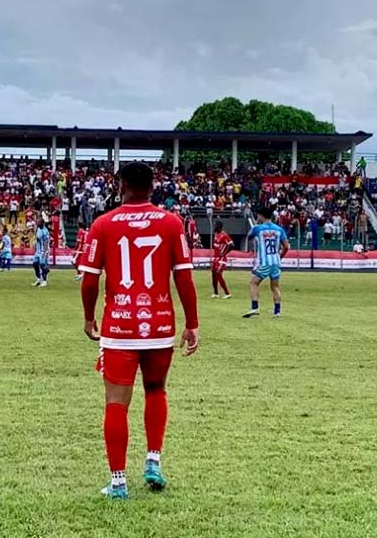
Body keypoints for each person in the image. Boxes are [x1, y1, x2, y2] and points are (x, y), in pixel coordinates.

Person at [78, 162, 200, 500]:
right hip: (159, 324)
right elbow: (184, 278)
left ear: (121, 186)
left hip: (120, 326)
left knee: (116, 404)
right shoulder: (171, 223)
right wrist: (192, 323)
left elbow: (90, 280)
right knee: (156, 390)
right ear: (153, 186)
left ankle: (118, 483)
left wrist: (89, 318)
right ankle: (153, 462)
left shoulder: (103, 224)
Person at [243, 206, 290, 318]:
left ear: (261, 216)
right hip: (275, 262)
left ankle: (255, 308)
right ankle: (277, 312)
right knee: (275, 287)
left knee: (254, 283)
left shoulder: (258, 228)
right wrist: (280, 257)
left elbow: (249, 237)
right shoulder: (279, 229)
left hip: (265, 262)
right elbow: (286, 246)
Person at [210, 221, 233, 299]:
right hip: (215, 258)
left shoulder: (224, 235)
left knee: (218, 273)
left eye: (215, 225)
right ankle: (216, 293)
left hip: (222, 258)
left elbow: (231, 245)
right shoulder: (216, 234)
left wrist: (224, 253)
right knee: (213, 274)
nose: (214, 226)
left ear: (219, 226)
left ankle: (227, 293)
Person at [32, 219, 51, 287]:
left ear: (42, 223)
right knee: (35, 264)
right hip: (38, 251)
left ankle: (44, 281)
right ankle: (39, 279)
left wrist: (45, 252)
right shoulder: (38, 229)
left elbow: (46, 242)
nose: (37, 223)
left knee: (42, 264)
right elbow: (37, 238)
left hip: (43, 250)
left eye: (38, 222)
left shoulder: (45, 231)